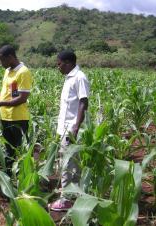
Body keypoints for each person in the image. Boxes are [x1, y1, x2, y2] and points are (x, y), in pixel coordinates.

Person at [48, 50, 90, 211]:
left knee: (67, 164)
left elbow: (83, 102)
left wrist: (76, 127)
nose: (57, 67)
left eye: (59, 64)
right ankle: (75, 195)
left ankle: (65, 199)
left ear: (68, 63)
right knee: (73, 164)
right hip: (65, 128)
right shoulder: (69, 78)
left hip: (72, 130)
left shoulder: (79, 77)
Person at [0, 45, 33, 174]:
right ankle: (8, 176)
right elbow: (5, 93)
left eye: (2, 60)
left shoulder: (23, 72)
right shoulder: (8, 71)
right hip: (5, 117)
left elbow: (22, 98)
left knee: (21, 150)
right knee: (8, 149)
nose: (1, 63)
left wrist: (0, 103)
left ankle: (23, 177)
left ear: (10, 57)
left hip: (18, 118)